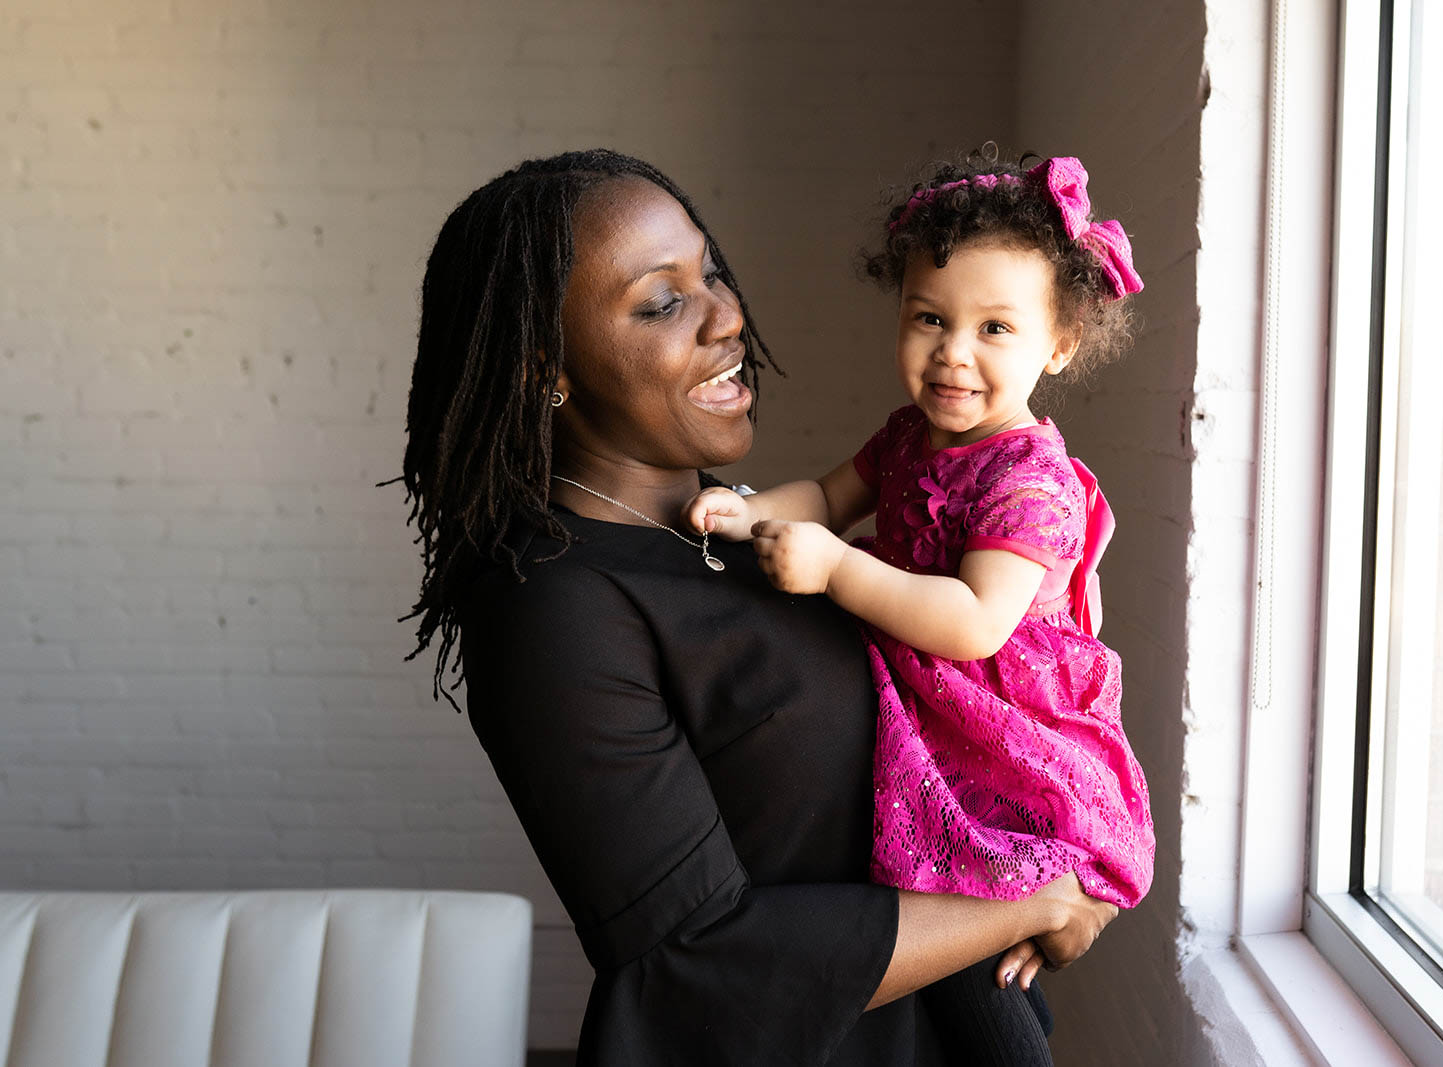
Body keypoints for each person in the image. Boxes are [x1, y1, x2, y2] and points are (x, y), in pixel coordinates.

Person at [398, 149, 1119, 1067]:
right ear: (550, 367)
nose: (729, 315)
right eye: (663, 302)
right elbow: (696, 961)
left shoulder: (733, 532)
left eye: (713, 273)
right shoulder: (554, 609)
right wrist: (1036, 900)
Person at [685, 151, 1157, 1065]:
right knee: (951, 958)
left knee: (970, 949)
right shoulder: (909, 434)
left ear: (1056, 345)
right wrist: (751, 509)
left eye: (995, 329)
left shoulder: (1031, 483)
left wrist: (834, 574)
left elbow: (976, 621)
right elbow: (826, 498)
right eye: (930, 319)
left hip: (1007, 738)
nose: (953, 352)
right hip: (932, 707)